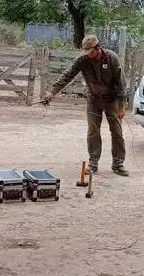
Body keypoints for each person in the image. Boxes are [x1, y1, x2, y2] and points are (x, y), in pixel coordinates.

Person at [42, 35, 129, 176]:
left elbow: (121, 83)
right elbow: (68, 75)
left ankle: (118, 164)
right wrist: (52, 92)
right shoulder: (83, 60)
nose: (89, 55)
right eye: (86, 52)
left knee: (116, 131)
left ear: (98, 47)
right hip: (94, 99)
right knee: (93, 131)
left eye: (91, 52)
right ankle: (93, 164)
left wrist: (121, 106)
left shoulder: (111, 58)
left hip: (112, 100)